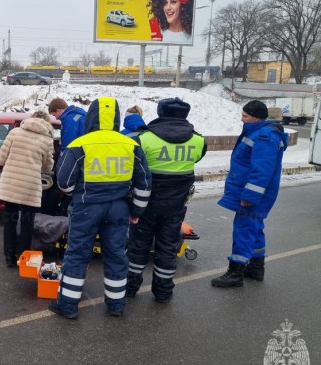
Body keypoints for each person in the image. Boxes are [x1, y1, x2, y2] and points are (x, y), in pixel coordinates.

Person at [48, 97, 152, 319]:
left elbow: (64, 182)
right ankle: (116, 305)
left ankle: (67, 306)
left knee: (77, 255)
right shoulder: (131, 145)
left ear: (92, 116)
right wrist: (136, 212)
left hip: (86, 207)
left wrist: (78, 193)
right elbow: (144, 183)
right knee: (116, 255)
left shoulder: (79, 144)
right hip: (119, 209)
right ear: (115, 117)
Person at [125, 97, 206, 303]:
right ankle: (163, 292)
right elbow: (196, 159)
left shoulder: (144, 138)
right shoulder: (198, 140)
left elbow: (134, 169)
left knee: (138, 246)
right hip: (176, 206)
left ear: (161, 112)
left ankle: (130, 287)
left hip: (146, 205)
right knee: (167, 248)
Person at [211, 100, 288, 288]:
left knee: (244, 228)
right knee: (255, 227)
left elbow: (261, 170)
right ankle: (255, 268)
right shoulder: (259, 132)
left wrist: (250, 196)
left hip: (254, 194)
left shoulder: (264, 136)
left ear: (256, 117)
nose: (242, 119)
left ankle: (235, 273)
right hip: (256, 192)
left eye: (245, 116)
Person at [0, 111, 55, 267]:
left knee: (10, 219)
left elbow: (1, 159)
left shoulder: (15, 133)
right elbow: (47, 168)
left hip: (10, 183)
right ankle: (22, 256)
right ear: (47, 122)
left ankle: (8, 256)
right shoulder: (46, 140)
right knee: (27, 222)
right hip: (30, 185)